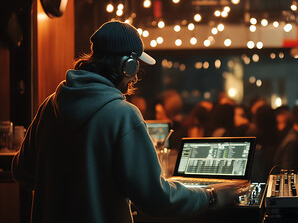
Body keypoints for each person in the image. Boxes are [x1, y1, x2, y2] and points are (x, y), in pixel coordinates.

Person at [11, 21, 246, 223]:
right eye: (135, 67)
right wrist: (211, 195)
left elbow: (22, 171)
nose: (135, 76)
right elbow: (156, 200)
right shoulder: (123, 115)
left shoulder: (48, 106)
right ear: (127, 65)